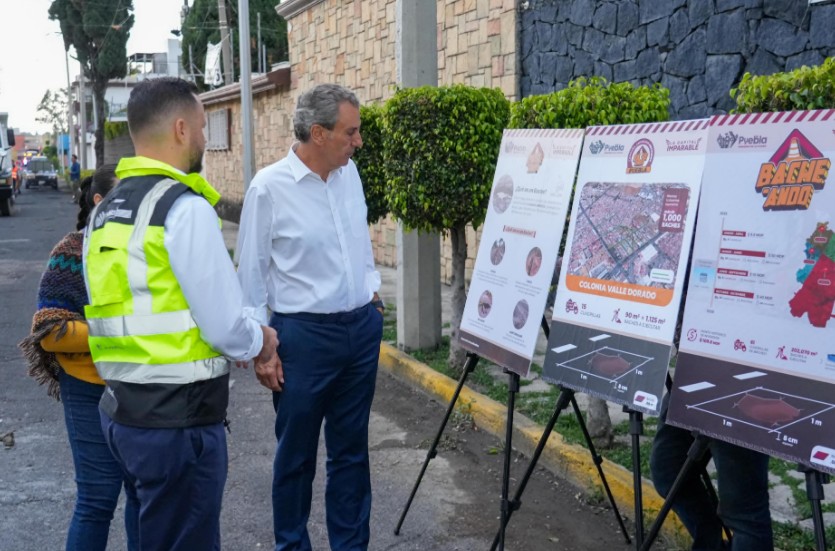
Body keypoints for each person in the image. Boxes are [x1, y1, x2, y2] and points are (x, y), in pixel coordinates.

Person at [81, 77, 279, 550]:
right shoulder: (182, 208)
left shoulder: (104, 212)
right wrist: (262, 341)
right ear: (180, 129)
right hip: (176, 425)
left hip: (123, 416)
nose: (206, 138)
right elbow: (225, 324)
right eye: (202, 125)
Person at [236, 83, 384, 551]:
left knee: (351, 455)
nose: (358, 141)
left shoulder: (350, 175)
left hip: (359, 332)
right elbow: (252, 275)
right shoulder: (269, 188)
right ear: (318, 134)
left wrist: (372, 295)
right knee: (296, 458)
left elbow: (358, 244)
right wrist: (263, 347)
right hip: (302, 338)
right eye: (350, 132)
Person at [20, 165, 138, 551]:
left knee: (142, 496)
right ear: (100, 203)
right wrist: (116, 332)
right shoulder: (71, 251)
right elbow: (50, 330)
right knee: (97, 499)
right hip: (89, 390)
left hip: (145, 387)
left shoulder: (149, 251)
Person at [650, 387, 773, 550]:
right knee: (668, 473)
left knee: (744, 512)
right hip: (692, 381)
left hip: (748, 392)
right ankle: (710, 545)